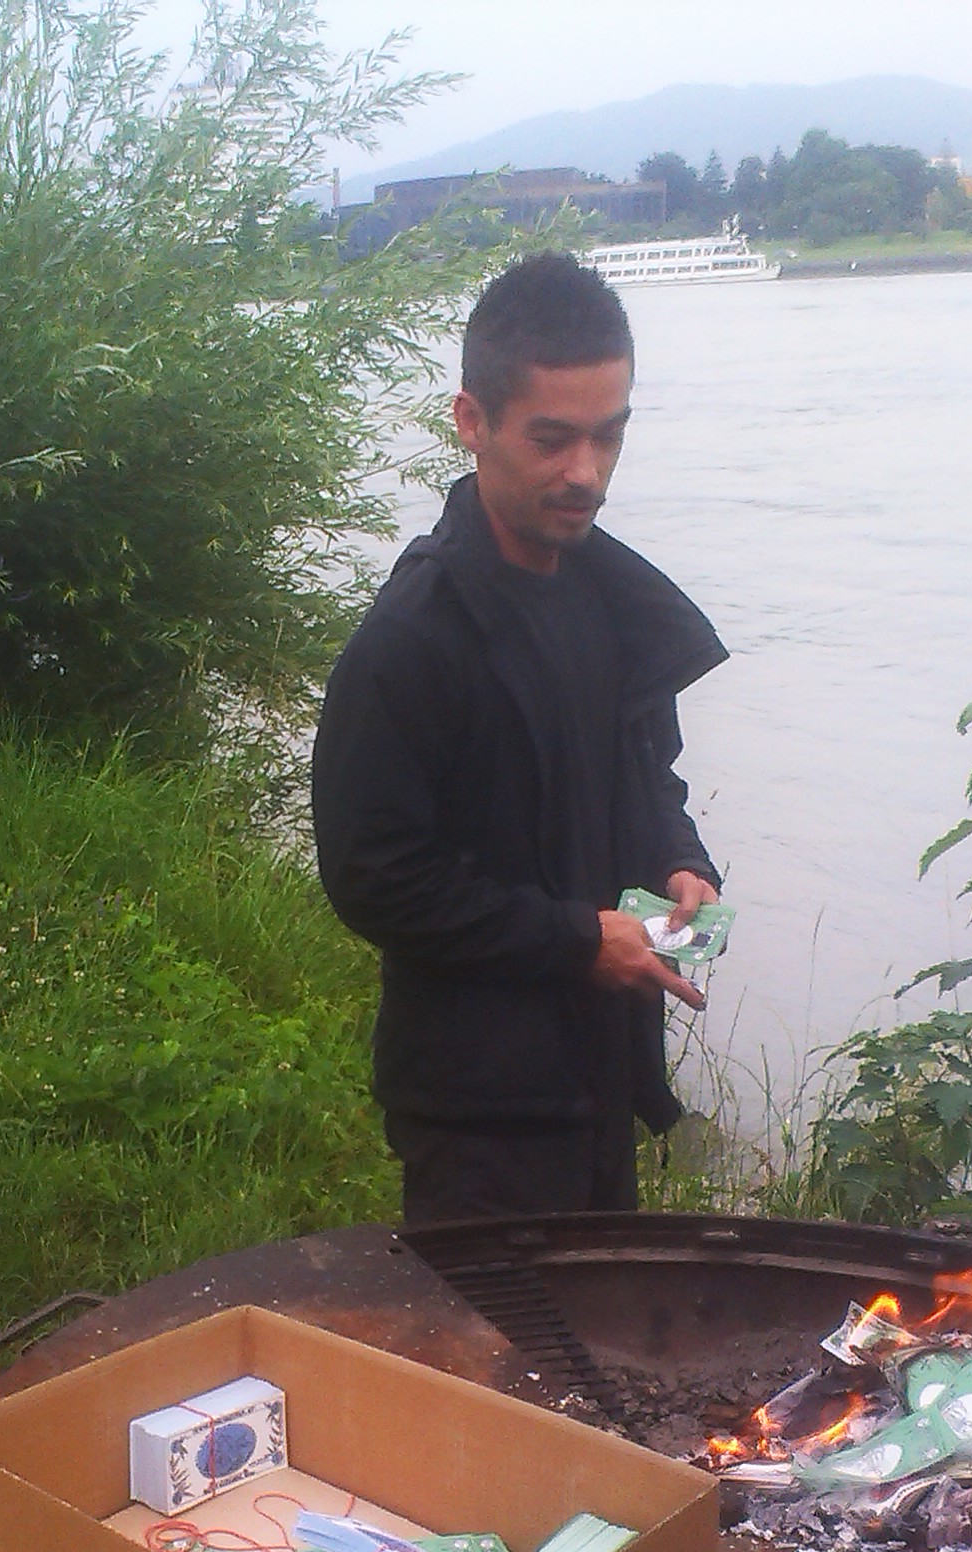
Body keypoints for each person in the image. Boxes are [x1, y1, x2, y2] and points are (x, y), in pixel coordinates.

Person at [310, 252, 728, 1225]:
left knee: (601, 1370)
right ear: (472, 421)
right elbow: (374, 877)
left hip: (597, 1080)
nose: (584, 473)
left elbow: (644, 774)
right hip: (477, 1115)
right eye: (551, 439)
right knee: (498, 1377)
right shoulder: (410, 642)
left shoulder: (602, 592)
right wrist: (580, 939)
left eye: (607, 438)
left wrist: (679, 862)